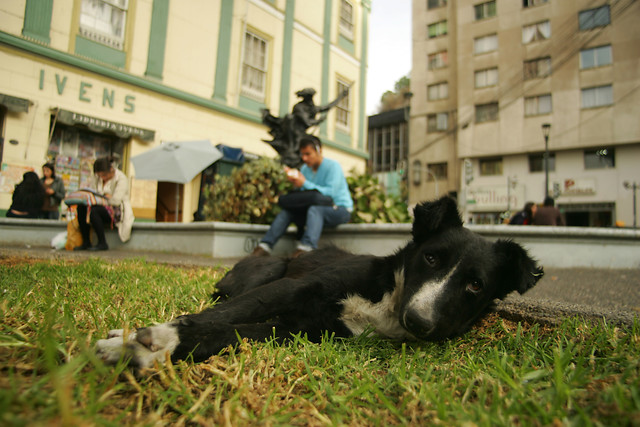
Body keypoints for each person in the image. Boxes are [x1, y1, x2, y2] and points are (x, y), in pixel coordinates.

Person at [253, 135, 353, 257]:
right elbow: (306, 195)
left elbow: (331, 193)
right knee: (287, 212)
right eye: (302, 154)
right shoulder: (305, 169)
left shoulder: (333, 166)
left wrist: (304, 183)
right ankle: (264, 247)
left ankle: (306, 248)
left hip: (339, 209)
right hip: (314, 212)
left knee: (314, 209)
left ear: (319, 151)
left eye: (308, 154)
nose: (304, 158)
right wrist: (296, 183)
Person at [74, 156, 135, 251]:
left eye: (104, 175)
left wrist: (103, 198)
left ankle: (102, 242)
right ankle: (86, 241)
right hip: (98, 205)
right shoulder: (96, 178)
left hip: (116, 210)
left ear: (111, 170)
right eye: (100, 176)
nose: (102, 178)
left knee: (94, 211)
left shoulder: (121, 178)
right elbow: (93, 191)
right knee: (81, 208)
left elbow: (116, 200)